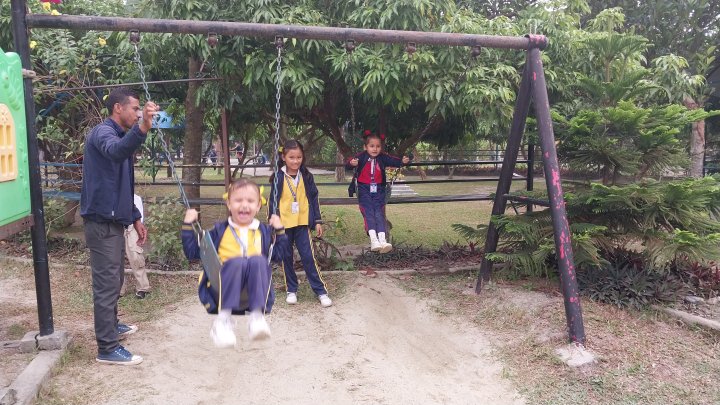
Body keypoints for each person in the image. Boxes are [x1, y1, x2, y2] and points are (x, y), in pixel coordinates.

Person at [81, 87, 158, 366]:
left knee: (114, 280)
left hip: (113, 220)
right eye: (134, 109)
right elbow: (115, 152)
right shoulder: (103, 133)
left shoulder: (120, 136)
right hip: (101, 223)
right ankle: (107, 347)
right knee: (106, 284)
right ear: (118, 108)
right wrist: (143, 126)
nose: (137, 113)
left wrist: (135, 216)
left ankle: (112, 326)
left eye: (139, 110)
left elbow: (122, 185)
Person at [181, 179, 288, 348]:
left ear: (258, 206)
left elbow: (279, 255)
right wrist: (188, 225)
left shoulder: (264, 232)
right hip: (221, 286)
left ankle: (256, 317)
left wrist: (280, 230)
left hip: (252, 289)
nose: (244, 205)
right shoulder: (219, 231)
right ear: (229, 204)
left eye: (250, 201)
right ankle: (223, 321)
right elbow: (192, 253)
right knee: (238, 262)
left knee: (259, 260)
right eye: (238, 200)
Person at [268, 140, 332, 308]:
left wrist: (317, 221)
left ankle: (321, 291)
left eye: (299, 157)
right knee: (286, 258)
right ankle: (291, 290)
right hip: (283, 225)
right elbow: (272, 202)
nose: (295, 161)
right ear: (284, 157)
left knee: (308, 257)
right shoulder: (279, 177)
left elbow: (314, 199)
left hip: (302, 223)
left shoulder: (307, 176)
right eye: (291, 157)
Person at [346, 130, 410, 253]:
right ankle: (374, 240)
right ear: (365, 147)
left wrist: (403, 161)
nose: (375, 149)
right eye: (372, 146)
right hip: (364, 189)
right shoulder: (361, 156)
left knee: (379, 213)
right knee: (369, 212)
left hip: (379, 189)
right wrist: (351, 163)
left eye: (378, 146)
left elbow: (394, 161)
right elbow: (348, 165)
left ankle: (383, 240)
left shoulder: (383, 157)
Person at [120, 194, 150, 300]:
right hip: (116, 225)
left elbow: (139, 218)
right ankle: (118, 288)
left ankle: (143, 287)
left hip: (132, 226)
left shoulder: (135, 198)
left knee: (136, 256)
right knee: (115, 257)